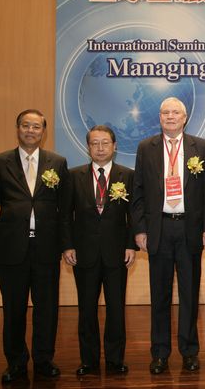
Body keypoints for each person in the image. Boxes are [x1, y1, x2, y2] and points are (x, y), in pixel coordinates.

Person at [0, 109, 70, 383]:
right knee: (13, 308)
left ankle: (44, 360)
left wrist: (66, 245)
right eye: (26, 126)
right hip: (11, 248)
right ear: (17, 129)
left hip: (46, 247)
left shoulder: (57, 162)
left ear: (43, 132)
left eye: (36, 127)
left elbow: (64, 210)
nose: (31, 131)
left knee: (47, 308)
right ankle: (16, 362)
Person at [131, 97, 205, 374]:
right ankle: (160, 353)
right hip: (160, 229)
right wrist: (140, 229)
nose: (170, 116)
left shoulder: (200, 146)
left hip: (190, 228)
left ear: (185, 117)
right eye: (165, 112)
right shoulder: (146, 148)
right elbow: (138, 192)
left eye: (175, 112)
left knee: (190, 294)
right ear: (159, 117)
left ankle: (189, 351)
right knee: (160, 295)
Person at [62, 125, 136, 375]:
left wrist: (130, 245)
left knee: (116, 309)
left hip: (117, 254)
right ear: (88, 147)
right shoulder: (73, 176)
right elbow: (65, 216)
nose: (100, 148)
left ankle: (115, 360)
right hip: (84, 253)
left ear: (114, 146)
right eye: (95, 143)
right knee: (86, 310)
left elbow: (133, 216)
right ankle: (89, 361)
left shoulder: (128, 175)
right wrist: (68, 245)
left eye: (105, 143)